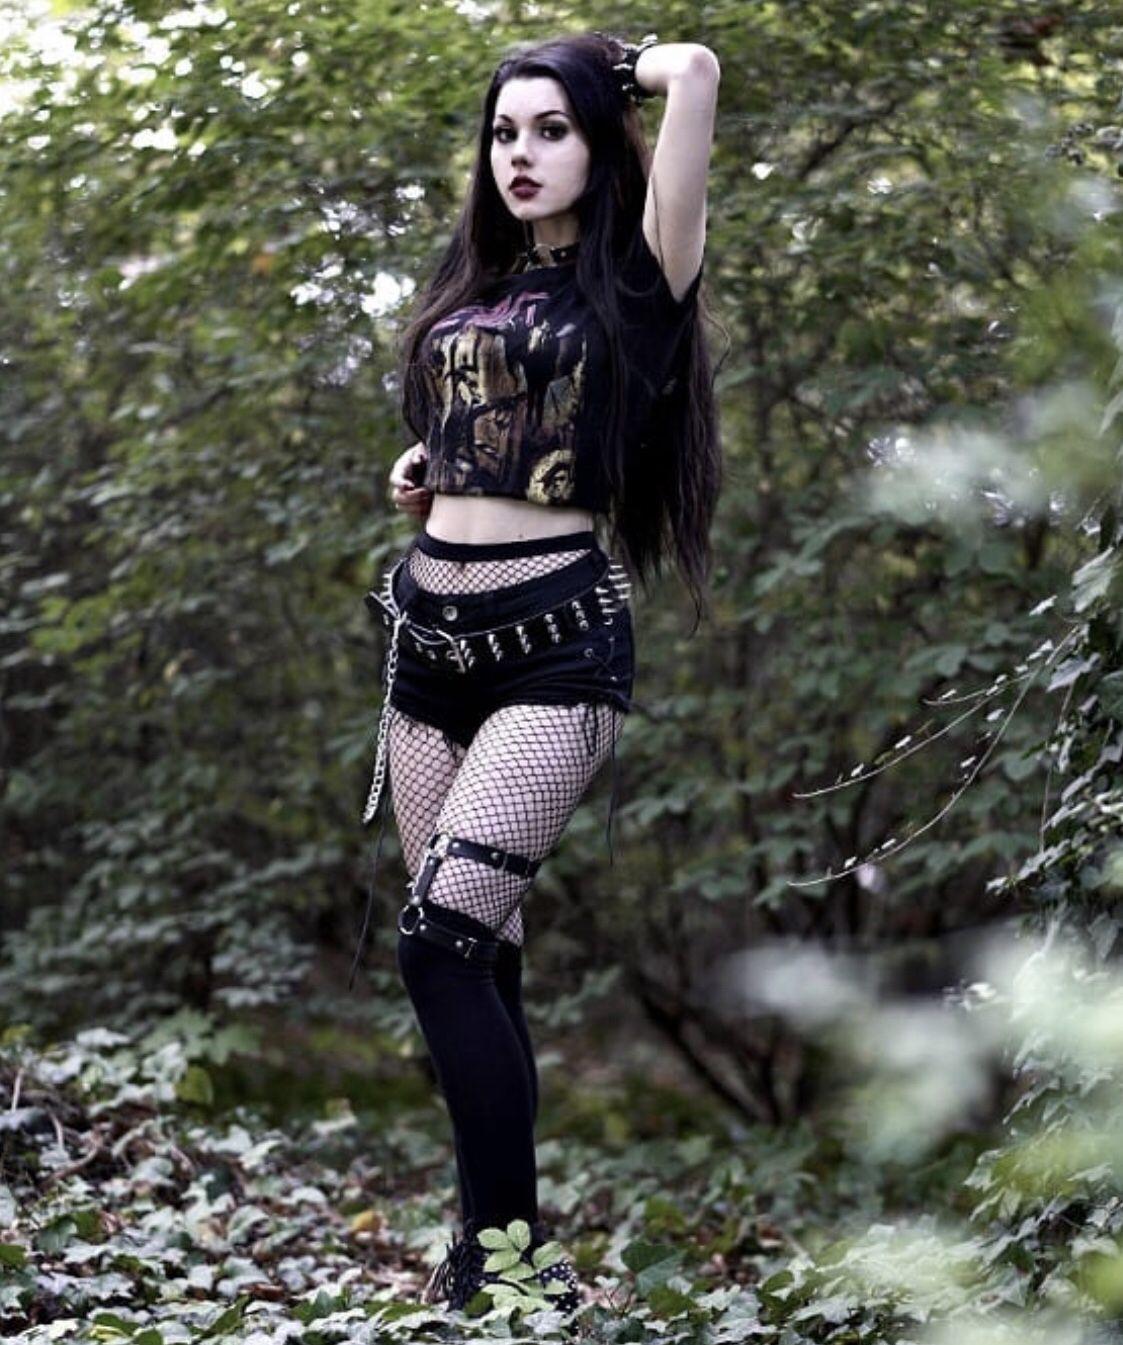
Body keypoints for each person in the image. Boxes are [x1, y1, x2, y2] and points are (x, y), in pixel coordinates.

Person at [352, 30, 722, 1315]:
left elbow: (699, 73)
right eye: (505, 132)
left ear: (598, 142)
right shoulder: (479, 284)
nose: (520, 153)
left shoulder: (642, 275)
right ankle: (492, 1260)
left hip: (553, 643)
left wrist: (612, 65)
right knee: (480, 952)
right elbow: (477, 432)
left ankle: (509, 1261)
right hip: (426, 645)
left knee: (439, 943)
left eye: (550, 130)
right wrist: (429, 472)